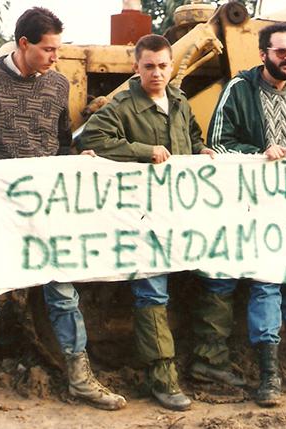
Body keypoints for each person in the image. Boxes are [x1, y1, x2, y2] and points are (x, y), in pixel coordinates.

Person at [0, 8, 126, 429]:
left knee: (63, 293)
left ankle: (80, 377)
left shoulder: (57, 85)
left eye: (59, 48)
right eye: (49, 49)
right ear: (24, 44)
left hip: (46, 207)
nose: (56, 56)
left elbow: (61, 143)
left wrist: (77, 159)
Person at [190, 23, 286, 407]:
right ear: (263, 54)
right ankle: (269, 375)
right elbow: (218, 142)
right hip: (253, 205)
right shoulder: (240, 89)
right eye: (281, 52)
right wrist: (261, 153)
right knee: (265, 283)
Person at [79, 34, 215, 410]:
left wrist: (202, 149)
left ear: (171, 66)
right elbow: (93, 137)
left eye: (162, 66)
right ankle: (162, 379)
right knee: (152, 292)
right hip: (143, 221)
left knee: (212, 278)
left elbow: (191, 136)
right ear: (136, 68)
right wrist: (143, 152)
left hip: (181, 216)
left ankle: (210, 363)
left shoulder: (180, 102)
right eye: (148, 66)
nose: (156, 73)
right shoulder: (122, 105)